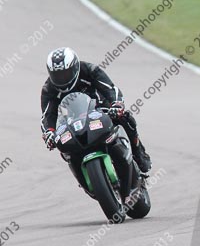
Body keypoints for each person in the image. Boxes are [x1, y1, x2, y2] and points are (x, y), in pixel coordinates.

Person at [40, 47, 152, 175]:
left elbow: (110, 88)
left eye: (65, 74)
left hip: (99, 108)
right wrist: (49, 132)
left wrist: (116, 104)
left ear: (75, 67)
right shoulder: (49, 89)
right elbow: (47, 115)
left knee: (125, 118)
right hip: (71, 120)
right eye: (57, 75)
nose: (62, 79)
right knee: (64, 147)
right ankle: (82, 173)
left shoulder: (89, 70)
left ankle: (139, 154)